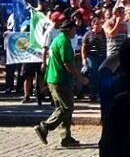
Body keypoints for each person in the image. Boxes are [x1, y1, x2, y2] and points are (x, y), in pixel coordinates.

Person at [33, 20, 89, 148]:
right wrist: (80, 78)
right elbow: (67, 64)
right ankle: (45, 127)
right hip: (61, 79)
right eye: (74, 29)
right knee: (66, 108)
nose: (76, 31)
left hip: (54, 78)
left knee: (63, 108)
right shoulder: (64, 42)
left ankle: (66, 137)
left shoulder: (58, 39)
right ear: (69, 29)